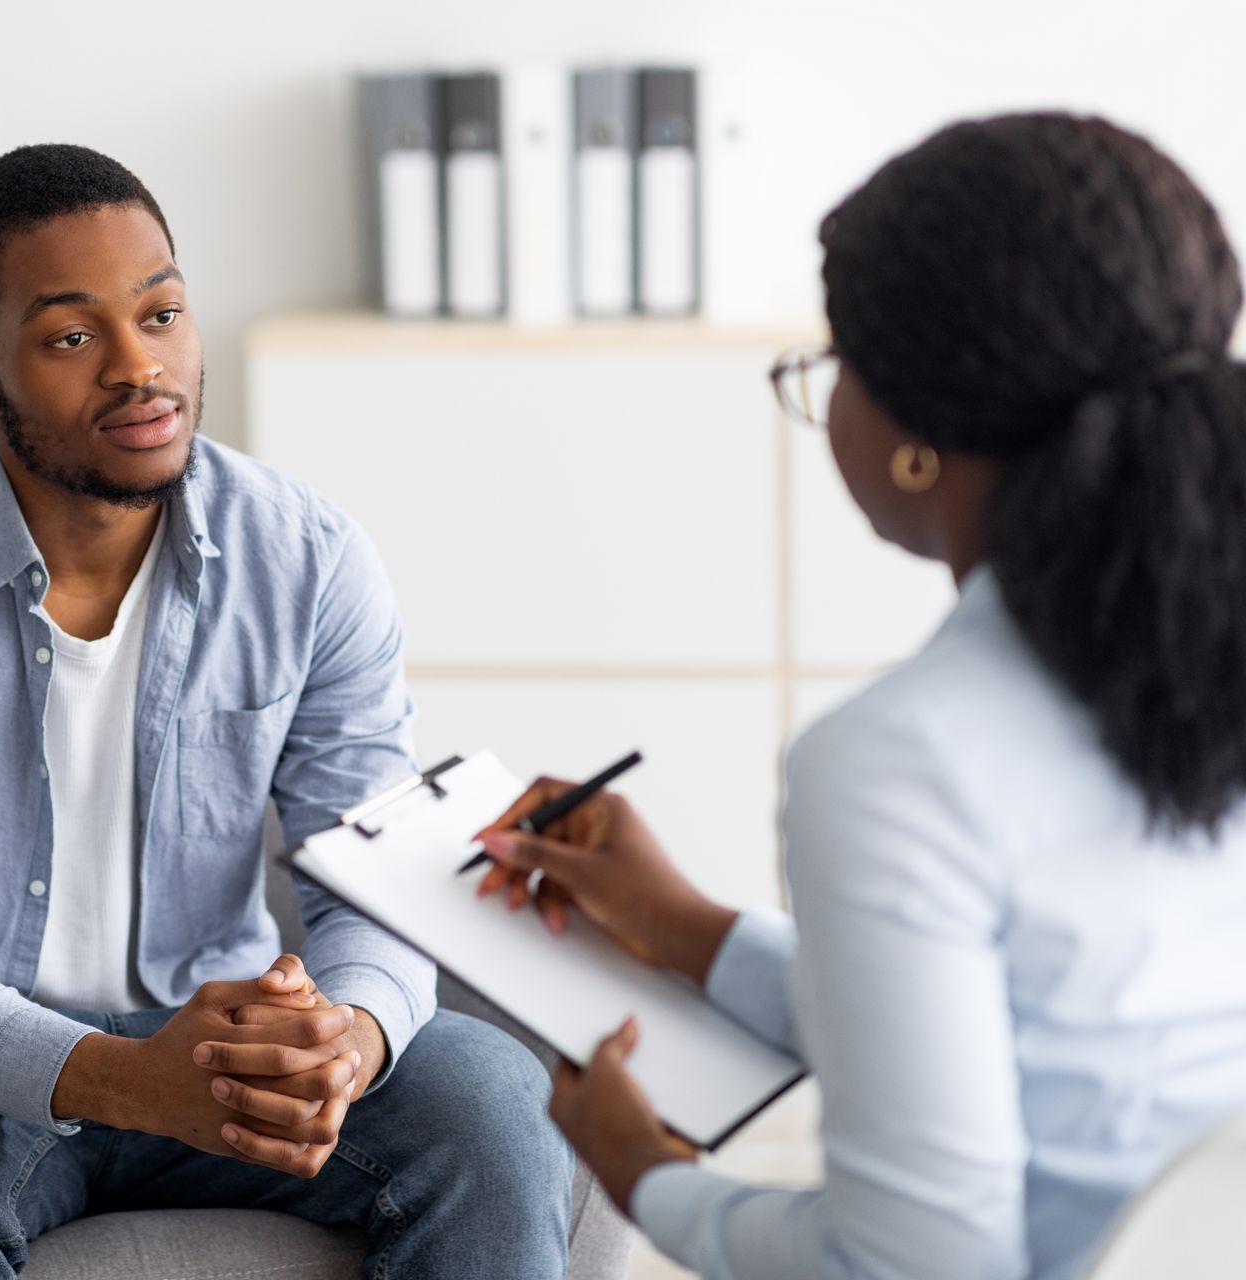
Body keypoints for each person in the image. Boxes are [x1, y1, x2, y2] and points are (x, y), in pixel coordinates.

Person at [0, 143, 572, 1279]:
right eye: (73, 336)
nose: (139, 367)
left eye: (162, 313)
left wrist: (348, 1037)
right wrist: (126, 1078)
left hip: (216, 1047)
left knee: (496, 1099)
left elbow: (378, 879)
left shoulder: (309, 560)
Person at [476, 112, 1246, 1280]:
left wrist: (647, 1174)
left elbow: (913, 1263)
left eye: (834, 361)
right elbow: (1045, 1052)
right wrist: (691, 930)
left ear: (918, 440)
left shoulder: (901, 760)